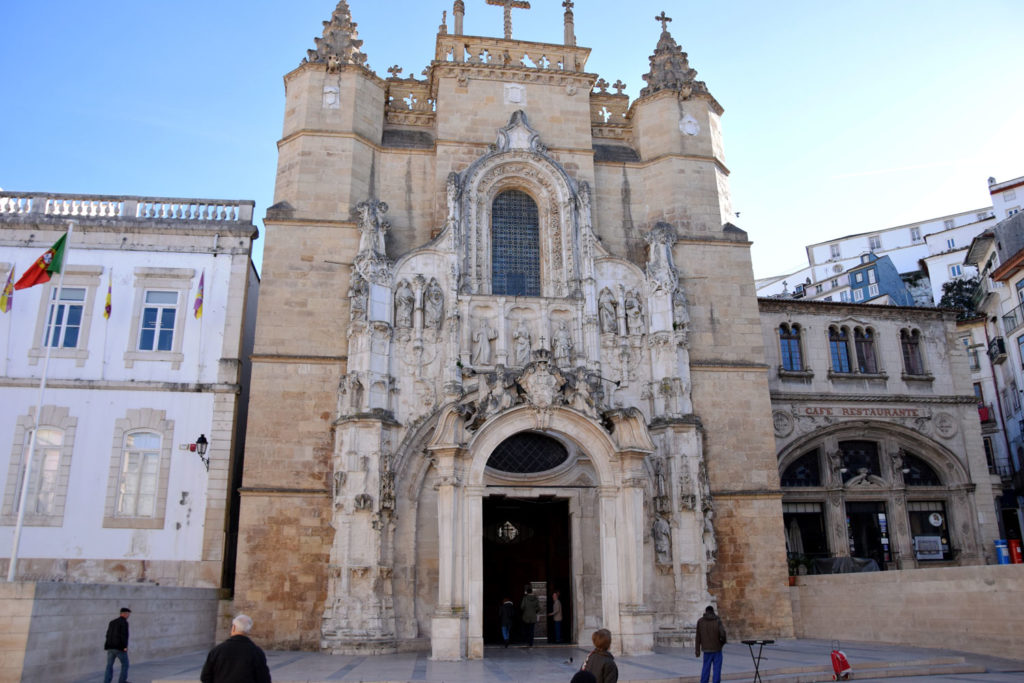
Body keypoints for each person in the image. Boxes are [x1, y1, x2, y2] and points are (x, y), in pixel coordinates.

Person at [200, 614, 271, 683]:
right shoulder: (256, 652)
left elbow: (205, 677)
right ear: (248, 631)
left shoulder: (217, 651)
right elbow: (264, 679)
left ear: (233, 628)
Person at [695, 605, 728, 683]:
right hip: (717, 649)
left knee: (705, 668)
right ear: (713, 611)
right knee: (717, 669)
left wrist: (697, 651)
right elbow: (723, 634)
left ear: (706, 611)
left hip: (706, 650)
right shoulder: (717, 620)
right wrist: (721, 643)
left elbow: (698, 637)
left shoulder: (700, 621)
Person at [103, 607, 131, 683]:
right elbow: (124, 635)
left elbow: (108, 634)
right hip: (119, 648)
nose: (128, 615)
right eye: (128, 614)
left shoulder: (112, 622)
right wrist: (124, 647)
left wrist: (107, 645)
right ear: (124, 614)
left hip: (110, 647)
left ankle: (106, 681)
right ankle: (122, 681)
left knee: (109, 666)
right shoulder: (124, 623)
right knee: (125, 664)